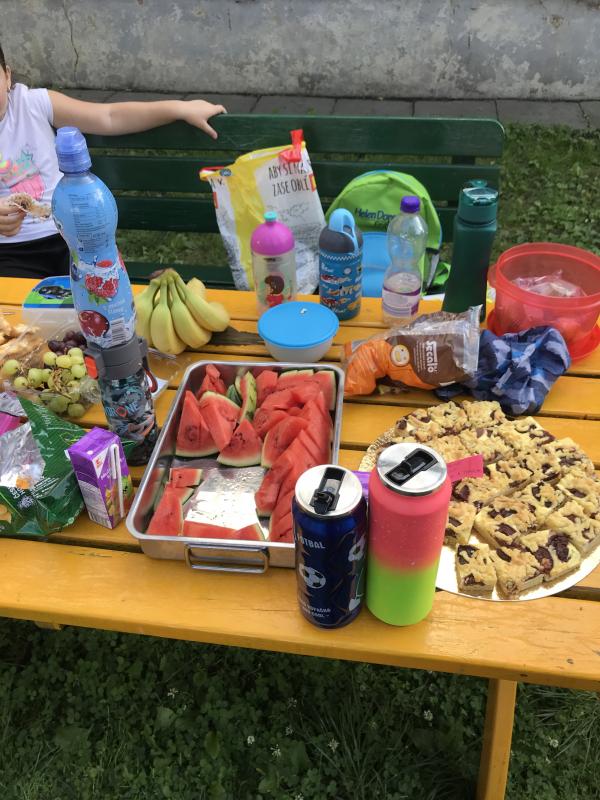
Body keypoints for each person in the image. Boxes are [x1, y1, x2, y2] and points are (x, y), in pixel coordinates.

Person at [0, 43, 226, 279]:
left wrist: (180, 109)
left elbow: (109, 117)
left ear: (7, 76)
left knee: (96, 293)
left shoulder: (33, 104)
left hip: (74, 238)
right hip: (10, 254)